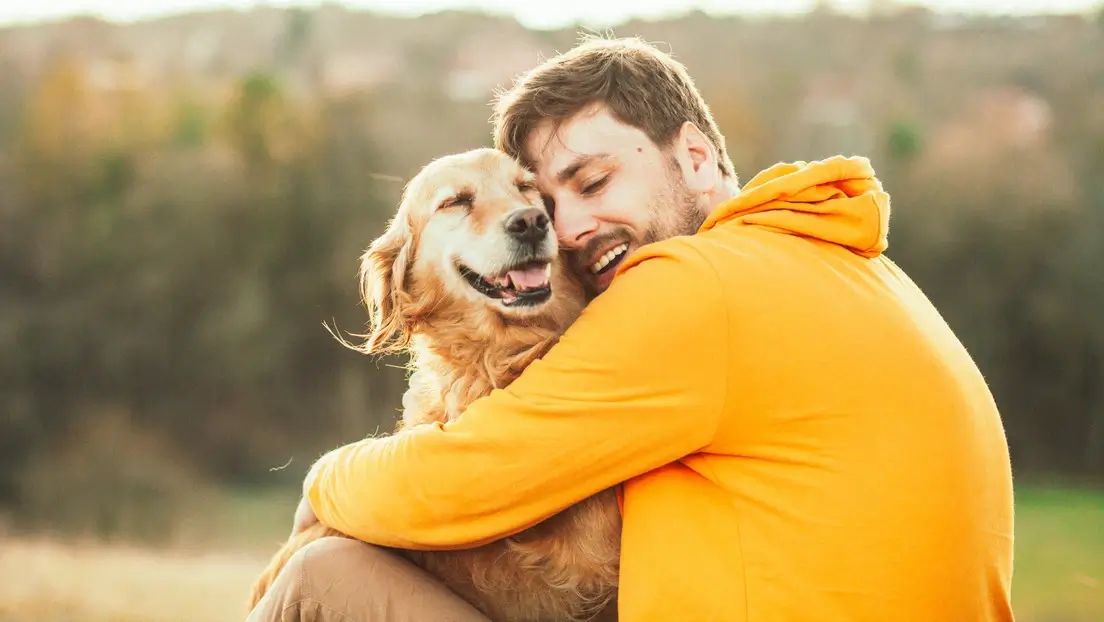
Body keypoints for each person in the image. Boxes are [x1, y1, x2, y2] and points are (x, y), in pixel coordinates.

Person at [249, 36, 1015, 622]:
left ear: (695, 155)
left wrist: (323, 481)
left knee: (319, 578)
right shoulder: (842, 263)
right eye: (552, 201)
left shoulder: (696, 284)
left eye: (593, 181)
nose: (568, 226)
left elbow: (461, 482)